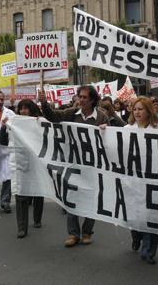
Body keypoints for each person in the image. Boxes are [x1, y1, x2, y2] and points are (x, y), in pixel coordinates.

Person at [39, 85, 109, 248]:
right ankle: (73, 233)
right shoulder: (71, 113)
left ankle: (86, 232)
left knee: (91, 197)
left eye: (85, 97)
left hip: (93, 165)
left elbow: (112, 137)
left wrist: (107, 130)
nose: (81, 100)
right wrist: (44, 103)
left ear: (92, 99)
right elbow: (53, 117)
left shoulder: (101, 116)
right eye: (80, 97)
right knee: (71, 197)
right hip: (72, 162)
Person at [124, 96, 158, 265]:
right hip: (133, 180)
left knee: (151, 214)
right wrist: (104, 131)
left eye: (140, 109)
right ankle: (137, 235)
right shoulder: (126, 129)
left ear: (149, 111)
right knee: (135, 214)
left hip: (153, 180)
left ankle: (148, 250)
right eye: (135, 109)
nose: (137, 112)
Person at [0, 99, 44, 238]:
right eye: (21, 108)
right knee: (20, 193)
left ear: (32, 109)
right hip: (20, 162)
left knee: (38, 191)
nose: (23, 111)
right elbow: (3, 141)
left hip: (36, 162)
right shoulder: (14, 123)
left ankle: (37, 219)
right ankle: (22, 227)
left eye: (26, 108)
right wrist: (3, 127)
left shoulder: (39, 122)